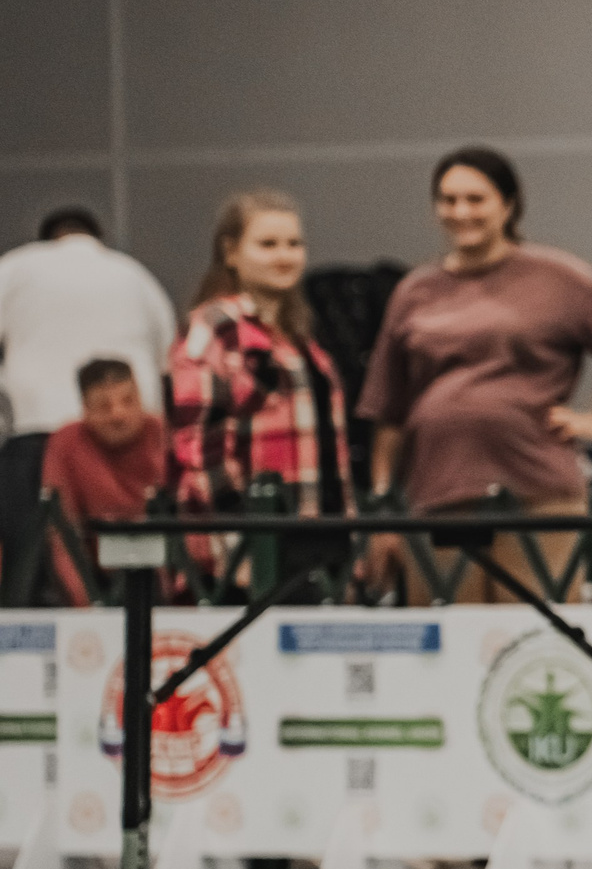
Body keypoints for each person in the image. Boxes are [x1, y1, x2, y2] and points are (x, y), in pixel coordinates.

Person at [362, 146, 592, 601]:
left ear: (508, 204)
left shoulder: (560, 278)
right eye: (448, 200)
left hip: (538, 489)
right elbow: (388, 410)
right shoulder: (413, 291)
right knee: (448, 644)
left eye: (475, 199)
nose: (461, 211)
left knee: (536, 637)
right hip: (436, 492)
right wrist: (383, 507)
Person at [0, 206, 176, 604]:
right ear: (97, 236)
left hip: (35, 424)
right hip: (132, 426)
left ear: (46, 238)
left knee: (27, 575)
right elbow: (169, 357)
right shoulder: (134, 274)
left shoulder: (15, 266)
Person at [167, 189, 352, 527]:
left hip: (317, 535)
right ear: (231, 252)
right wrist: (237, 543)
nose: (284, 256)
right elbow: (199, 451)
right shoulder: (215, 327)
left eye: (294, 244)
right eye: (268, 245)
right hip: (252, 548)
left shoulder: (302, 339)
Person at [41, 357, 169, 606]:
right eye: (103, 406)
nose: (118, 415)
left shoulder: (165, 434)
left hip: (169, 572)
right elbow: (60, 533)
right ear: (85, 409)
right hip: (98, 576)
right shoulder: (66, 443)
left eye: (128, 401)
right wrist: (85, 604)